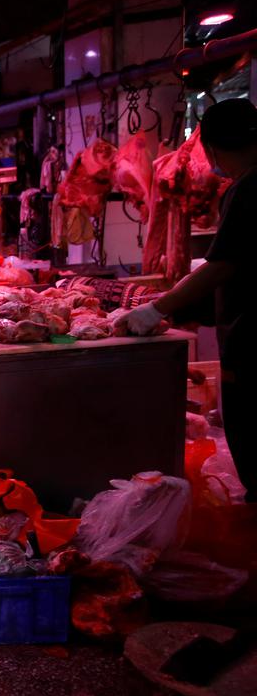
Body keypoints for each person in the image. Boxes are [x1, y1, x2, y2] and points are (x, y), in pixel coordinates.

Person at [124, 98, 257, 501]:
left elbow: (223, 265)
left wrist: (158, 307)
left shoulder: (249, 186)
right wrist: (187, 311)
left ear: (213, 150)